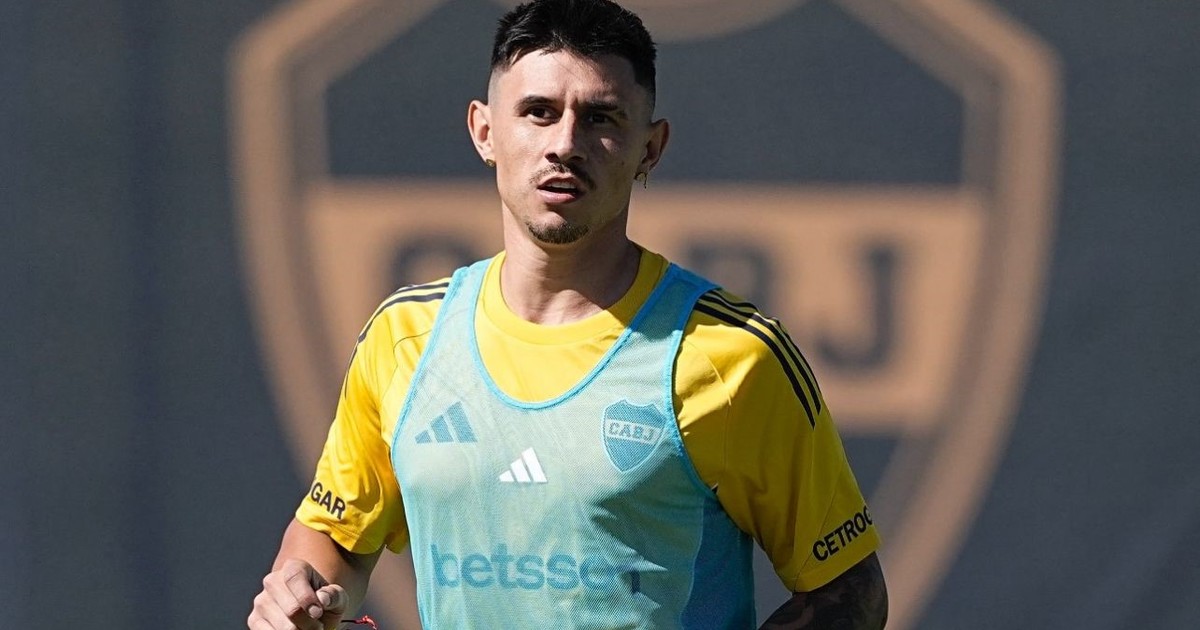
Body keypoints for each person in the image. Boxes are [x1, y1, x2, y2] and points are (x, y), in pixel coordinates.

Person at [247, 0, 887, 628]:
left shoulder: (732, 353)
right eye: (538, 112)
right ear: (484, 131)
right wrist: (300, 597)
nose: (565, 144)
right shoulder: (403, 337)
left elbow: (851, 595)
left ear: (650, 148)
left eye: (601, 117)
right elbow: (334, 538)